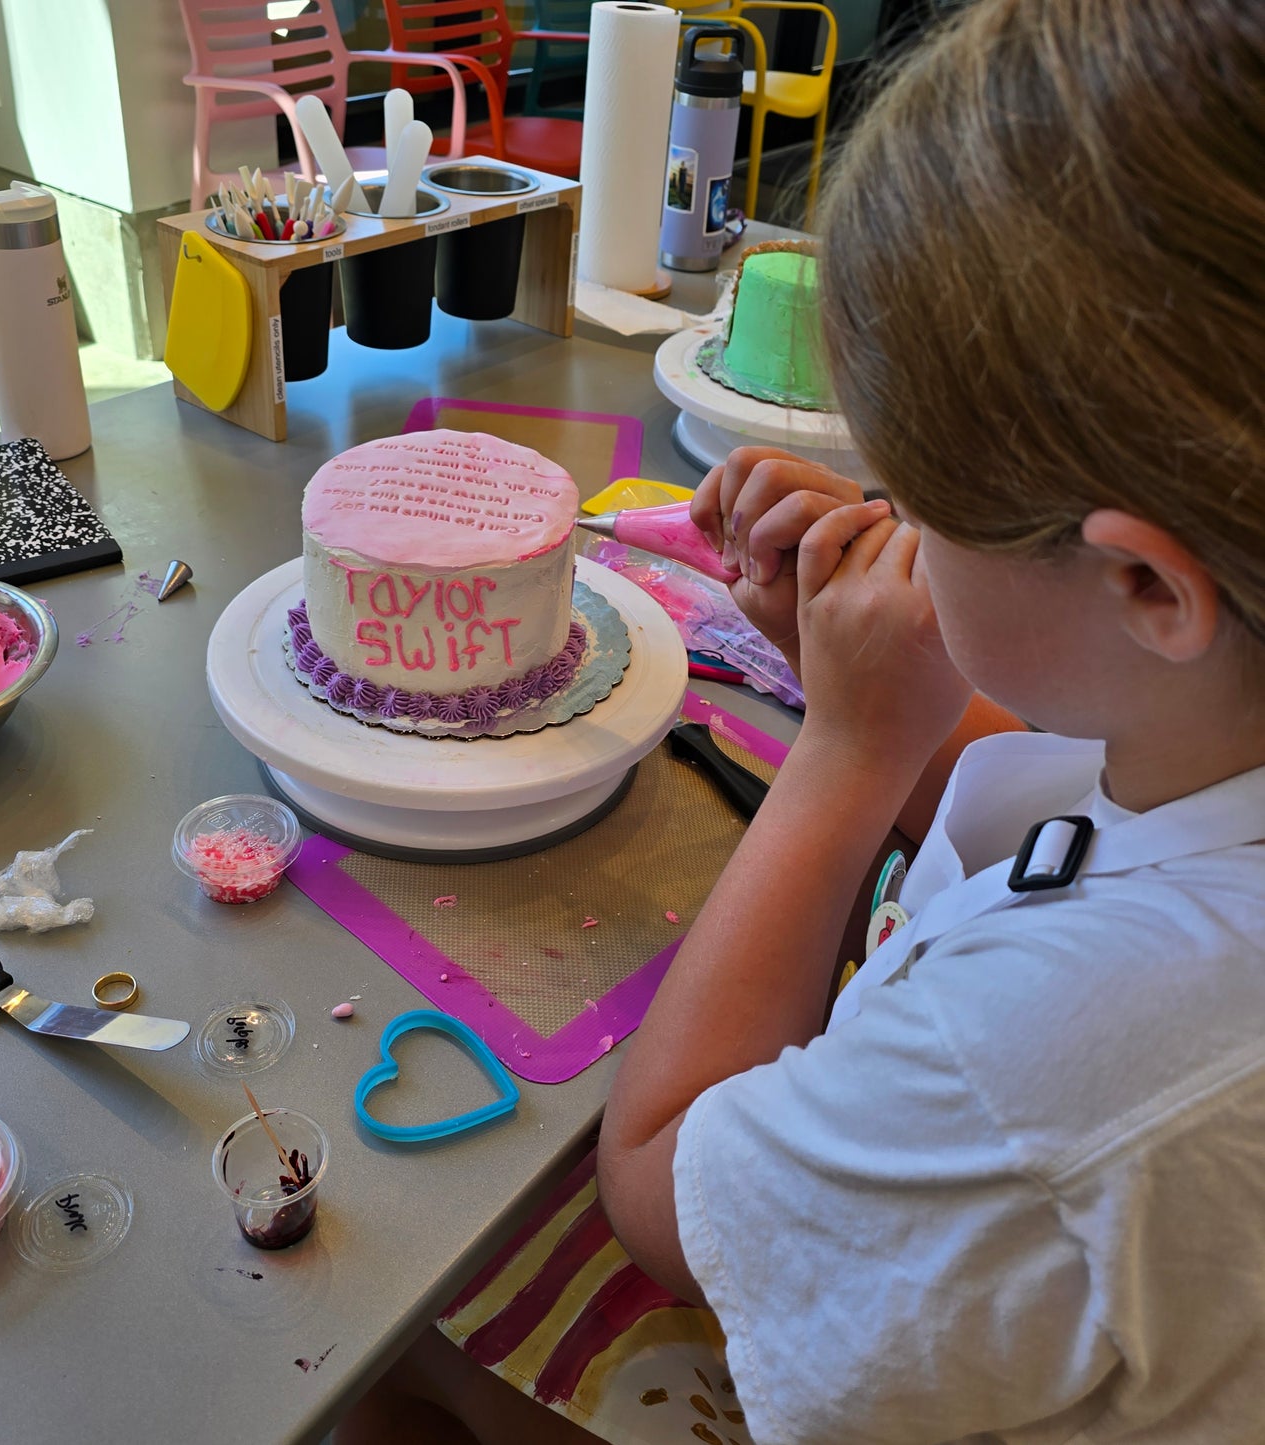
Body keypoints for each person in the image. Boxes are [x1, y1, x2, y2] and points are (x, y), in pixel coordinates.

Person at [338, 0, 1265, 1439]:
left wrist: (842, 751)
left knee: (377, 1365)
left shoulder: (1061, 1056)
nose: (886, 528)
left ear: (1145, 580)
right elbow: (1063, 820)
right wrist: (890, 695)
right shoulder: (1207, 726)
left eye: (918, 502)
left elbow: (656, 1189)